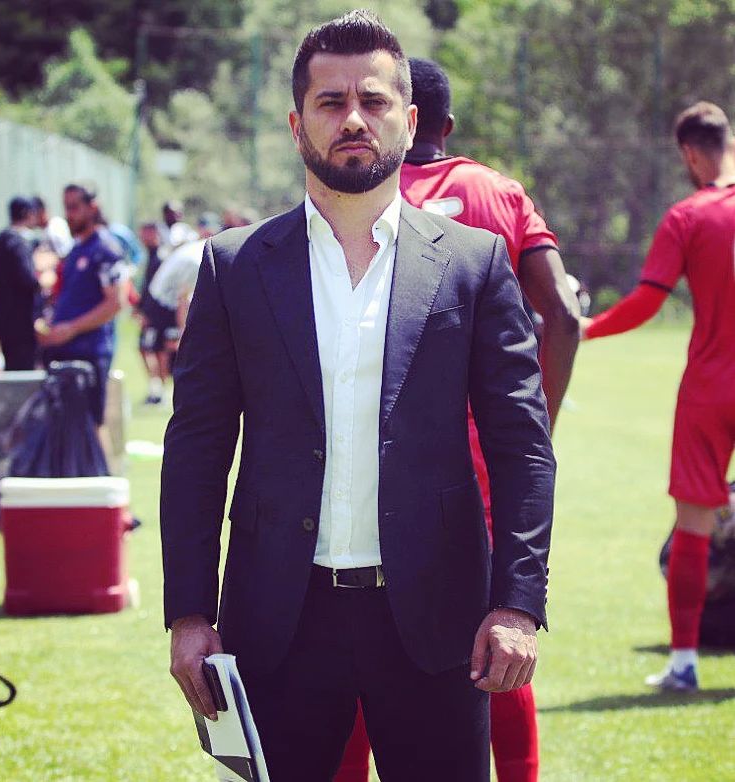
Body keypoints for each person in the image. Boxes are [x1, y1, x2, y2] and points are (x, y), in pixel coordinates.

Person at [161, 11, 555, 782]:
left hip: (438, 621)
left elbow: (523, 449)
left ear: (408, 119)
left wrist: (517, 603)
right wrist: (189, 613)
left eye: (373, 101)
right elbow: (197, 452)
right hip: (277, 622)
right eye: (330, 101)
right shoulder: (233, 267)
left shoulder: (473, 264)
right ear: (296, 124)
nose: (353, 120)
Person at [336, 57, 580, 782]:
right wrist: (535, 430)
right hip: (485, 460)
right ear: (445, 124)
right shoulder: (498, 192)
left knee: (356, 637)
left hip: (387, 458)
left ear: (400, 119)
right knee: (497, 630)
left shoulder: (362, 198)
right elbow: (563, 317)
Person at [580, 101, 735, 692]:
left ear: (690, 154)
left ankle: (685, 663)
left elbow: (648, 301)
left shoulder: (687, 216)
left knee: (694, 525)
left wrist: (588, 330)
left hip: (709, 388)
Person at [36, 184, 125, 427]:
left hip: (89, 353)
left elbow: (115, 303)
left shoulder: (105, 249)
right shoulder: (76, 249)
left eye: (74, 207)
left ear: (92, 207)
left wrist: (72, 328)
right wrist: (51, 325)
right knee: (60, 428)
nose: (69, 214)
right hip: (64, 351)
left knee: (90, 429)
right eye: (66, 207)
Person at [0, 196, 41, 370]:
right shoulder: (19, 242)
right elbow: (28, 279)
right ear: (27, 213)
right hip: (21, 320)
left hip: (1, 315)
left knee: (11, 366)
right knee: (23, 369)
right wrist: (43, 280)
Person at [135, 221, 175, 405]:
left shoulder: (160, 258)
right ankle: (156, 389)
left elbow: (157, 291)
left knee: (156, 351)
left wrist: (148, 314)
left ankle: (160, 391)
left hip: (158, 316)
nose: (143, 237)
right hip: (152, 314)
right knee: (148, 349)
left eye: (147, 233)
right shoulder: (151, 256)